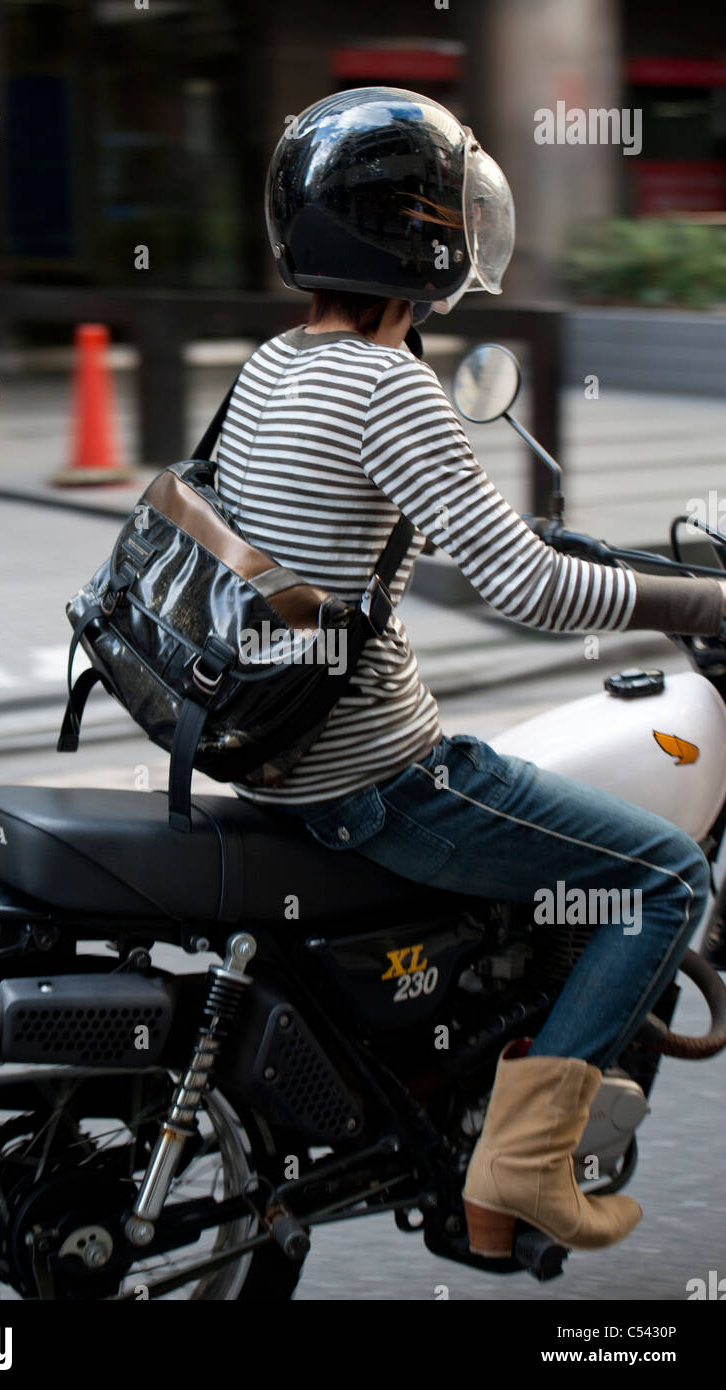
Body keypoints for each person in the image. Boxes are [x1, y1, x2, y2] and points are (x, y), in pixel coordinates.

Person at [214, 88, 726, 1258]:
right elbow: (532, 590)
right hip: (377, 780)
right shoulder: (389, 385)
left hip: (269, 752)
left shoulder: (273, 364)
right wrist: (697, 600)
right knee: (658, 876)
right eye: (441, 211)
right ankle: (523, 1166)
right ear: (418, 244)